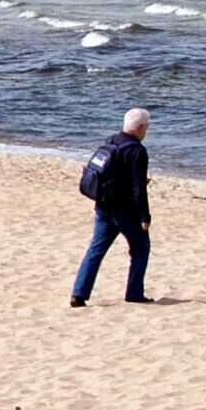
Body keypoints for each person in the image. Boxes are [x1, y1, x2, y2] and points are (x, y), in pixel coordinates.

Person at [72, 108, 154, 306]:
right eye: (146, 128)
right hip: (125, 210)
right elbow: (137, 188)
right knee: (141, 247)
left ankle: (79, 294)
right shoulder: (137, 150)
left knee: (95, 249)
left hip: (102, 205)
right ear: (141, 128)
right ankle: (134, 294)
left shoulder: (110, 141)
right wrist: (145, 216)